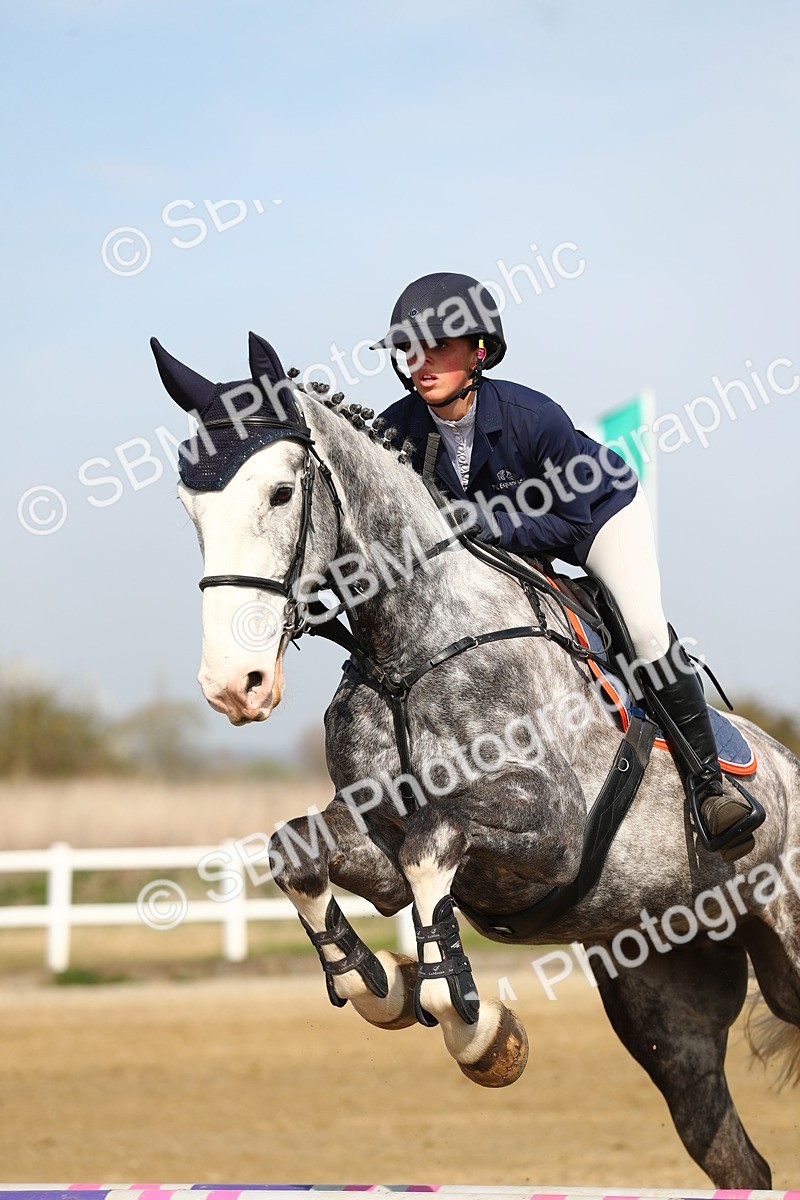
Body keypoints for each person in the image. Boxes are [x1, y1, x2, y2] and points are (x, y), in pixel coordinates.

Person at [372, 272, 763, 862]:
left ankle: (711, 785)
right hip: (503, 543)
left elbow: (569, 529)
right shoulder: (397, 429)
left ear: (479, 352)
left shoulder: (535, 417)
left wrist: (485, 521)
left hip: (598, 518)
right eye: (410, 349)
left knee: (646, 630)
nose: (420, 362)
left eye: (440, 347)